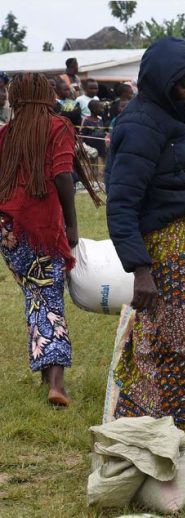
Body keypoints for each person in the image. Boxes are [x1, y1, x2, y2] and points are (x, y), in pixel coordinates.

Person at [104, 37, 185, 436]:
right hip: (163, 257)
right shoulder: (141, 126)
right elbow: (121, 204)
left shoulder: (171, 121)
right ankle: (150, 436)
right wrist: (140, 270)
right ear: (161, 81)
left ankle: (184, 435)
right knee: (161, 346)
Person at [0, 73, 99, 406]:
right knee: (48, 298)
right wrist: (72, 224)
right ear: (45, 96)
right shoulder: (57, 127)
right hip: (40, 227)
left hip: (8, 230)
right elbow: (61, 175)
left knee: (36, 294)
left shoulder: (5, 134)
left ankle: (46, 372)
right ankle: (57, 383)